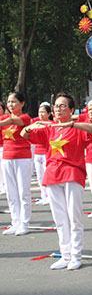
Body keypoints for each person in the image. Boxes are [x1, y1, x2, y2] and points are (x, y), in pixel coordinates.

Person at [22, 92, 92, 270]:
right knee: (60, 219)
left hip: (72, 174)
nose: (58, 109)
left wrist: (72, 123)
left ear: (71, 109)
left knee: (74, 217)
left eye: (63, 106)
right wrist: (31, 127)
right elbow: (25, 135)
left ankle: (76, 256)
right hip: (53, 175)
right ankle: (65, 255)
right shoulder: (49, 128)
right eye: (56, 106)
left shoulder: (78, 128)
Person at [0, 92, 33, 236]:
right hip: (7, 157)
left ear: (22, 103)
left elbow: (15, 121)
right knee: (11, 192)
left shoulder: (25, 118)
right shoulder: (4, 118)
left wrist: (4, 120)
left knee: (23, 192)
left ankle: (24, 223)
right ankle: (15, 222)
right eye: (8, 102)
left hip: (22, 158)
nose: (10, 105)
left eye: (14, 102)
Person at [32, 102, 53, 205]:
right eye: (39, 112)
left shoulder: (51, 124)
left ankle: (50, 196)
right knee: (40, 176)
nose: (41, 114)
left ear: (49, 114)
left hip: (47, 152)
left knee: (47, 175)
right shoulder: (36, 123)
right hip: (37, 152)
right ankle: (43, 196)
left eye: (43, 112)